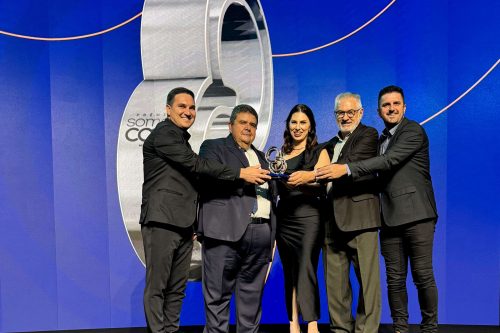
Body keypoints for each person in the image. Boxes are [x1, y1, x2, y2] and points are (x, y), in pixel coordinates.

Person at [140, 88, 270, 333]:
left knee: (177, 288)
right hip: (162, 220)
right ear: (168, 110)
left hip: (183, 223)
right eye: (182, 107)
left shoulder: (181, 139)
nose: (188, 112)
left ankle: (170, 330)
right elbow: (196, 165)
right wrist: (241, 173)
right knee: (158, 287)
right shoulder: (164, 135)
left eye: (191, 108)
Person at [316, 85, 439, 333]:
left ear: (404, 107)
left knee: (422, 275)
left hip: (417, 215)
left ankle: (430, 328)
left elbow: (388, 161)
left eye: (396, 104)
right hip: (389, 217)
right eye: (386, 105)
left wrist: (346, 168)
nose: (391, 108)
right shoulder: (381, 138)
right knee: (394, 279)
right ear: (379, 110)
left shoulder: (412, 131)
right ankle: (400, 328)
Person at [197, 104, 276, 333]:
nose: (248, 128)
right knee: (217, 300)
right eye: (243, 123)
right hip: (224, 232)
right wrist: (243, 175)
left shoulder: (262, 157)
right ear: (230, 125)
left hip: (260, 233)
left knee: (252, 304)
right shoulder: (213, 148)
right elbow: (206, 174)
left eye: (252, 124)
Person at [317, 93, 381, 333]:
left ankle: (366, 331)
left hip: (361, 219)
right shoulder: (329, 144)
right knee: (335, 287)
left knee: (367, 284)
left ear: (361, 113)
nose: (345, 117)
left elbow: (343, 166)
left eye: (350, 112)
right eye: (340, 113)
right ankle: (340, 330)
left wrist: (314, 172)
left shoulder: (368, 135)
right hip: (331, 221)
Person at [275, 104, 330, 333]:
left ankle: (313, 325)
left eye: (303, 123)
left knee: (307, 267)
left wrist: (304, 181)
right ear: (288, 125)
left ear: (311, 127)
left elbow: (325, 185)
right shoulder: (279, 155)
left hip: (309, 218)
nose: (298, 127)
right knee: (290, 272)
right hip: (284, 218)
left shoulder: (319, 152)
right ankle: (293, 324)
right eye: (294, 122)